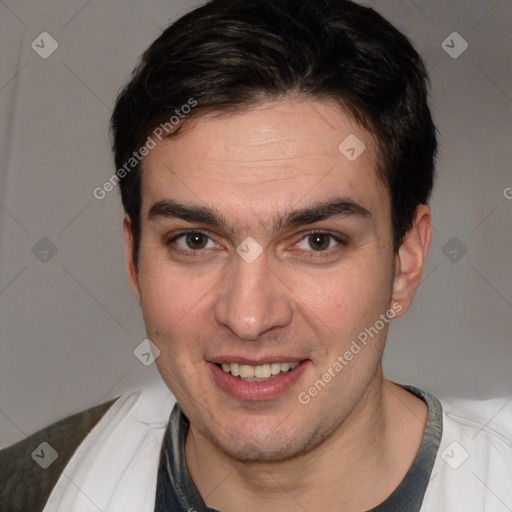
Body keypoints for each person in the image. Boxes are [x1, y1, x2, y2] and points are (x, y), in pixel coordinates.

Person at [2, 0, 511, 510]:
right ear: (135, 260)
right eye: (195, 240)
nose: (248, 318)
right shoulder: (31, 487)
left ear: (405, 260)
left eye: (317, 241)